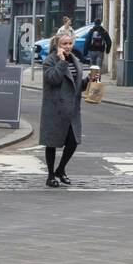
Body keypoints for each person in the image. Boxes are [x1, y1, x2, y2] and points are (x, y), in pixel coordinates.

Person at [41, 31, 86, 188]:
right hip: (55, 109)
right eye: (64, 44)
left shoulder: (75, 60)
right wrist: (61, 61)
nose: (68, 47)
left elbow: (76, 84)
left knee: (73, 142)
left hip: (72, 109)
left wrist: (89, 81)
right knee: (52, 143)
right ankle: (51, 175)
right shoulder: (49, 61)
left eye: (70, 43)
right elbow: (53, 79)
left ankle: (60, 169)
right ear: (57, 45)